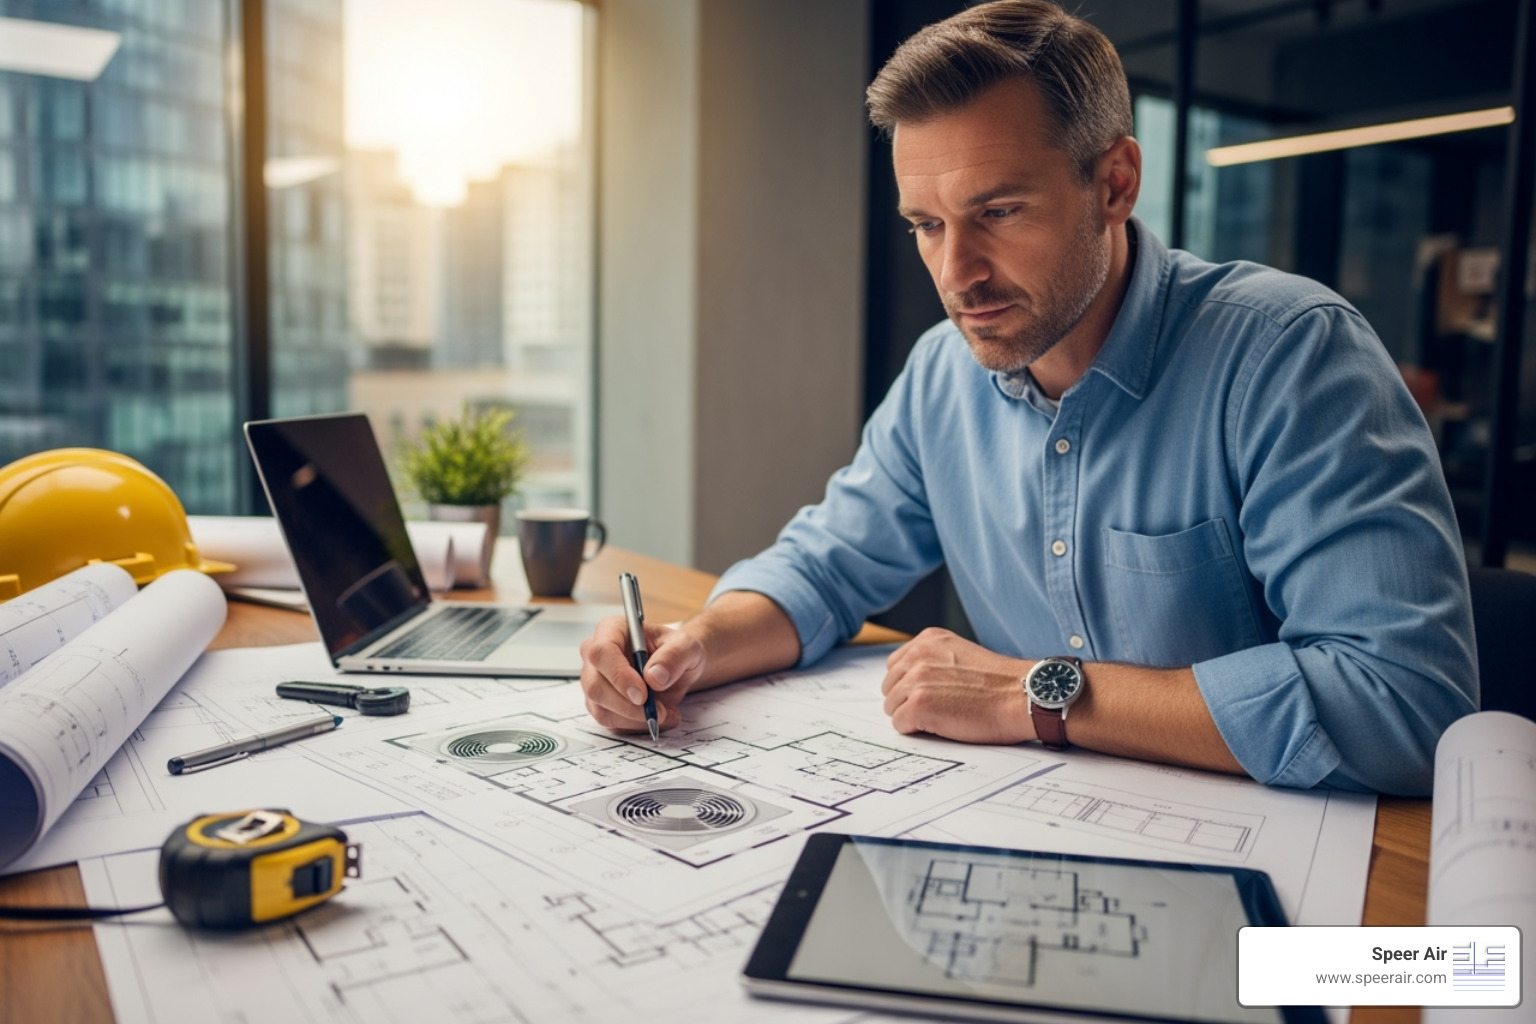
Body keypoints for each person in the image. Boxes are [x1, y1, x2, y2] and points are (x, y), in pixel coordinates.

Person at [579, 0, 1477, 796]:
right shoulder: (943, 374)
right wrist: (695, 644)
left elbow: (1405, 702)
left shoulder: (1290, 356)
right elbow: (822, 569)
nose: (955, 273)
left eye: (999, 212)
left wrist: (1035, 693)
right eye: (927, 226)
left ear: (1115, 183)